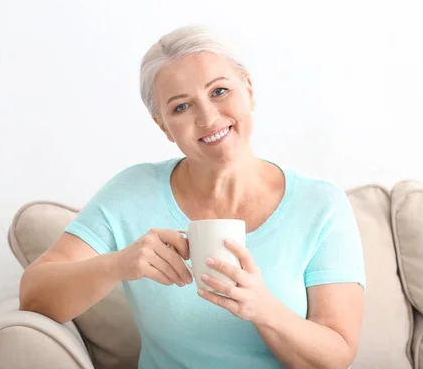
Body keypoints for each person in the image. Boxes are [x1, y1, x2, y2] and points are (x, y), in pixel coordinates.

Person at [19, 25, 366, 369]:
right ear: (162, 125)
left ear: (248, 90)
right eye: (181, 107)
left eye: (219, 91)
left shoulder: (320, 204)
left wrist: (264, 310)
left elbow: (336, 356)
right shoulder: (132, 192)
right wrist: (118, 264)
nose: (208, 117)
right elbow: (35, 295)